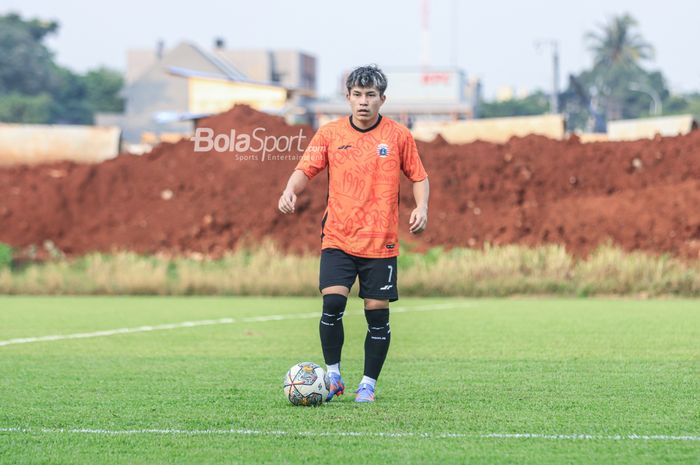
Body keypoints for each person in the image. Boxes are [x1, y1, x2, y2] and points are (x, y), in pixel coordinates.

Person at [278, 65, 429, 403]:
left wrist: (422, 207)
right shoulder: (330, 134)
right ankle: (332, 376)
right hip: (338, 237)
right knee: (332, 302)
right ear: (348, 98)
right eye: (357, 95)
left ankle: (368, 385)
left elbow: (419, 176)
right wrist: (290, 190)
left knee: (377, 314)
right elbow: (305, 169)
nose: (364, 102)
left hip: (381, 241)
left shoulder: (398, 136)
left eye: (370, 95)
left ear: (382, 99)